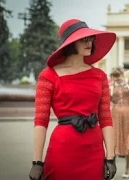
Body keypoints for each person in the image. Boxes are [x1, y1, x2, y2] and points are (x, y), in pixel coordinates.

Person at [28, 19, 117, 180]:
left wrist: (111, 157)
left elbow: (106, 118)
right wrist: (37, 162)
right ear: (70, 43)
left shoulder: (100, 76)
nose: (89, 42)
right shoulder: (48, 76)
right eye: (83, 39)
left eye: (90, 38)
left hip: (94, 152)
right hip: (62, 149)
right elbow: (41, 120)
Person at [110, 67, 129, 178]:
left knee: (127, 140)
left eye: (117, 76)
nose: (116, 78)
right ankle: (112, 168)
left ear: (122, 74)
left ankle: (127, 169)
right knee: (114, 140)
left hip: (127, 114)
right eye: (114, 76)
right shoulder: (111, 86)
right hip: (115, 114)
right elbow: (108, 100)